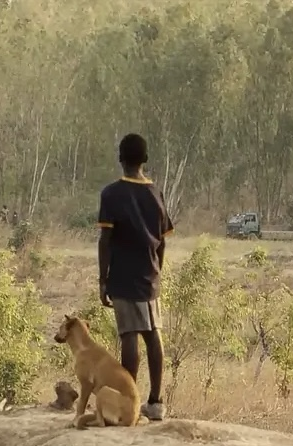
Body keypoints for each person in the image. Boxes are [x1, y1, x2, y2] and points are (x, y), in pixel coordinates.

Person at [96, 133, 173, 421]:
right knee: (154, 336)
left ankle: (129, 403)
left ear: (120, 158)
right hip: (150, 275)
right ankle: (156, 402)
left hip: (123, 276)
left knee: (128, 335)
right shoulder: (155, 193)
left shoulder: (112, 194)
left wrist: (103, 279)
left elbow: (106, 239)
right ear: (145, 159)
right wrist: (157, 270)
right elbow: (163, 240)